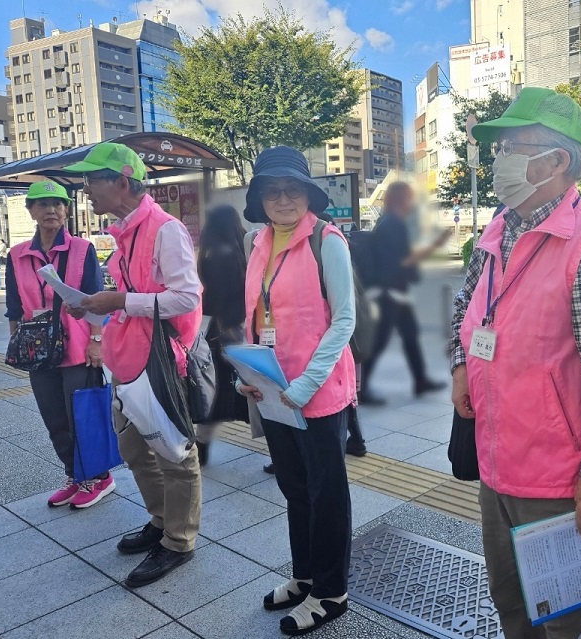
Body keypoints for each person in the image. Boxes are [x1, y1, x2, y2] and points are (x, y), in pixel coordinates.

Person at [449, 87, 581, 638]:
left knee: (570, 624)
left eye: (513, 146)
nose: (500, 161)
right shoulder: (496, 231)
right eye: (498, 149)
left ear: (559, 160)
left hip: (561, 484)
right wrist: (460, 364)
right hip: (497, 468)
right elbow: (466, 306)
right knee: (512, 607)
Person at [64, 142, 203, 588]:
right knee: (135, 451)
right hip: (125, 363)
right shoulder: (123, 233)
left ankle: (179, 541)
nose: (86, 190)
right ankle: (161, 521)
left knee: (175, 454)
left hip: (159, 362)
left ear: (121, 183)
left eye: (92, 180)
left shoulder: (166, 230)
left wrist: (120, 299)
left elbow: (187, 297)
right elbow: (125, 305)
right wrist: (88, 308)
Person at [236, 146, 356, 636]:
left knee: (326, 493)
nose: (283, 198)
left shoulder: (328, 240)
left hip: (319, 391)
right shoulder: (256, 242)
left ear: (308, 194)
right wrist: (251, 371)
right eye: (272, 189)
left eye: (292, 189)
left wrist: (307, 383)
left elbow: (344, 319)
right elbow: (257, 312)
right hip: (275, 388)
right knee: (293, 487)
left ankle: (331, 591)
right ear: (260, 197)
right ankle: (304, 575)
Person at [4, 181, 110, 509]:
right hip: (38, 351)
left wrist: (96, 341)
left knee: (83, 415)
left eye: (58, 204)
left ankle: (98, 477)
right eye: (43, 204)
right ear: (31, 211)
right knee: (54, 418)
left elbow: (95, 299)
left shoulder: (82, 249)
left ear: (66, 210)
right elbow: (14, 307)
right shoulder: (18, 255)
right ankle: (74, 475)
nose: (51, 209)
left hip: (78, 347)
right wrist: (17, 346)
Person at [359, 181, 450, 404]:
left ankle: (420, 380)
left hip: (394, 291)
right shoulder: (394, 224)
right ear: (402, 198)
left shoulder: (387, 221)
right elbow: (402, 261)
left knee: (410, 336)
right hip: (389, 292)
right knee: (379, 341)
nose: (413, 202)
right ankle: (361, 388)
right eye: (410, 197)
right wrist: (435, 245)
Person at [195, 204, 249, 465]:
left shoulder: (210, 255)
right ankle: (278, 445)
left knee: (217, 390)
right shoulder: (242, 251)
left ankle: (202, 442)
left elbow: (210, 300)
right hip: (242, 330)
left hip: (218, 333)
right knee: (253, 387)